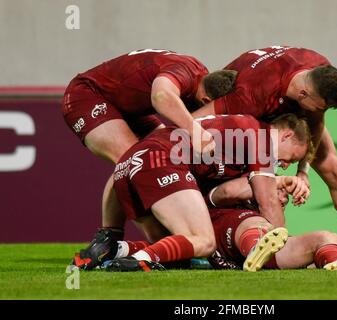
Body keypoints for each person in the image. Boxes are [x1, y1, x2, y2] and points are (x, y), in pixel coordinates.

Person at [74, 113, 313, 270]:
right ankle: (137, 262)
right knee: (204, 242)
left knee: (176, 252)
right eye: (292, 157)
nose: (285, 164)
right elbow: (268, 201)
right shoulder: (260, 136)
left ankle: (112, 250)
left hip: (130, 163)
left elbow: (231, 189)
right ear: (286, 135)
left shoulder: (238, 134)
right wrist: (281, 248)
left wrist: (279, 180)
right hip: (159, 159)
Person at [64, 48, 237, 264]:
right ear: (205, 99)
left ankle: (164, 241)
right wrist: (195, 130)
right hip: (88, 96)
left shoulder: (198, 76)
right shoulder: (186, 72)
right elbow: (161, 95)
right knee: (132, 160)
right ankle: (108, 236)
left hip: (129, 108)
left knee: (156, 158)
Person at [191, 45, 337, 240]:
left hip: (282, 111)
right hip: (248, 115)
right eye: (320, 107)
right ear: (303, 94)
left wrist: (303, 171)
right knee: (250, 184)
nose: (320, 111)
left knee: (334, 169)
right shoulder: (250, 95)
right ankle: (266, 244)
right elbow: (193, 120)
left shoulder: (320, 69)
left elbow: (316, 120)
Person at [205, 175, 337, 271]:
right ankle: (255, 250)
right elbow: (226, 191)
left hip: (266, 252)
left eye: (286, 199)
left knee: (326, 236)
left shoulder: (273, 239)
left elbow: (308, 263)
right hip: (227, 243)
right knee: (258, 225)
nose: (284, 199)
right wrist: (281, 179)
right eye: (281, 191)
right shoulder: (224, 206)